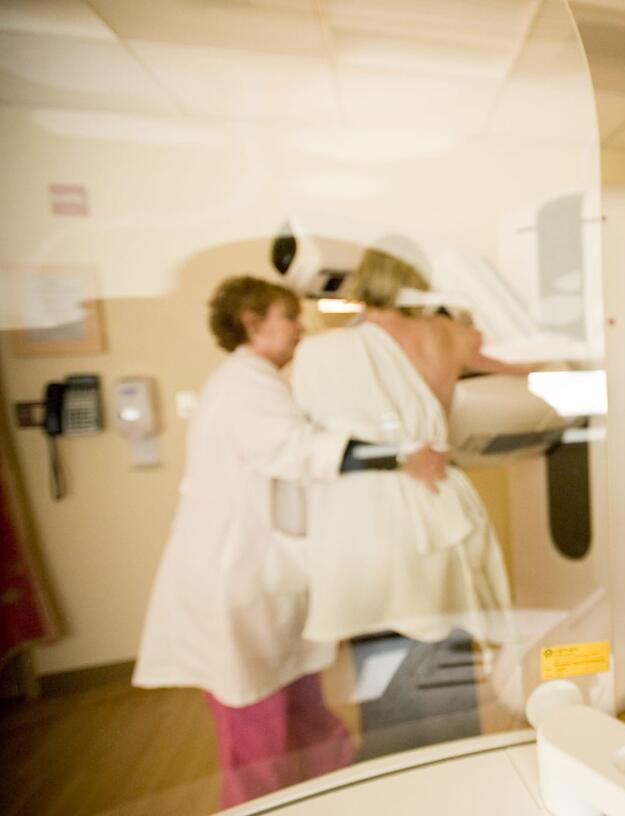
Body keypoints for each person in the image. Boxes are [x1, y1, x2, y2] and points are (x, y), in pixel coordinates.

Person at [132, 275, 433, 807]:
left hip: (262, 574)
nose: (300, 329)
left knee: (305, 714)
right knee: (258, 735)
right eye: (288, 317)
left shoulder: (252, 381)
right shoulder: (244, 383)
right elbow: (300, 450)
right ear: (252, 324)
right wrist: (403, 455)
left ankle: (332, 797)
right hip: (237, 577)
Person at [289, 248, 518, 647]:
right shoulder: (451, 335)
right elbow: (534, 362)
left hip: (369, 518)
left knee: (384, 652)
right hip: (438, 499)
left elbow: (308, 439)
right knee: (447, 643)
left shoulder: (328, 351)